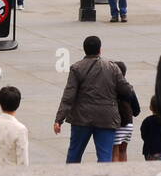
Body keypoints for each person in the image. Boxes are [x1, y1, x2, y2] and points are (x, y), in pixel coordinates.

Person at [54, 34, 139, 163]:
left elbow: (68, 96)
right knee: (105, 157)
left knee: (74, 154)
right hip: (106, 117)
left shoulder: (77, 68)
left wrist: (59, 119)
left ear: (84, 49)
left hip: (81, 117)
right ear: (100, 50)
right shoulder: (112, 68)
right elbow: (126, 90)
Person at [0, 86, 29, 166]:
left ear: (0, 103)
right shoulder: (20, 129)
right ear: (18, 104)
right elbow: (23, 161)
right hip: (11, 175)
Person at [110, 61, 137, 161]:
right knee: (123, 151)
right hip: (129, 124)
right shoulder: (129, 89)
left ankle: (116, 173)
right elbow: (137, 110)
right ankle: (125, 171)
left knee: (114, 152)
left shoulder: (111, 88)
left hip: (117, 125)